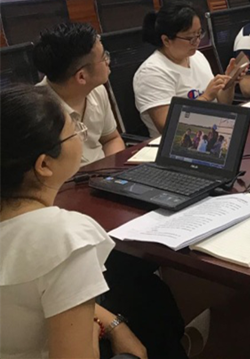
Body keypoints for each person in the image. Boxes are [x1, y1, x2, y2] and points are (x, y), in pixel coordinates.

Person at [0, 85, 148, 359]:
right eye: (75, 131)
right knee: (146, 302)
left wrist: (111, 323)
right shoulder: (65, 238)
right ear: (44, 165)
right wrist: (92, 329)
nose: (82, 135)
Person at [133, 4, 244, 137]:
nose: (197, 41)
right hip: (181, 141)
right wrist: (205, 98)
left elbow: (222, 103)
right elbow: (167, 126)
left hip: (213, 130)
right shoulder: (152, 72)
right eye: (190, 38)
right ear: (166, 40)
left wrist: (229, 84)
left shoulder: (197, 56)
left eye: (199, 33)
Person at [32, 23, 125, 166]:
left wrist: (110, 172)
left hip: (105, 171)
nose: (108, 61)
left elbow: (111, 139)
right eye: (103, 58)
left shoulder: (97, 90)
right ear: (82, 76)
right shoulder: (37, 113)